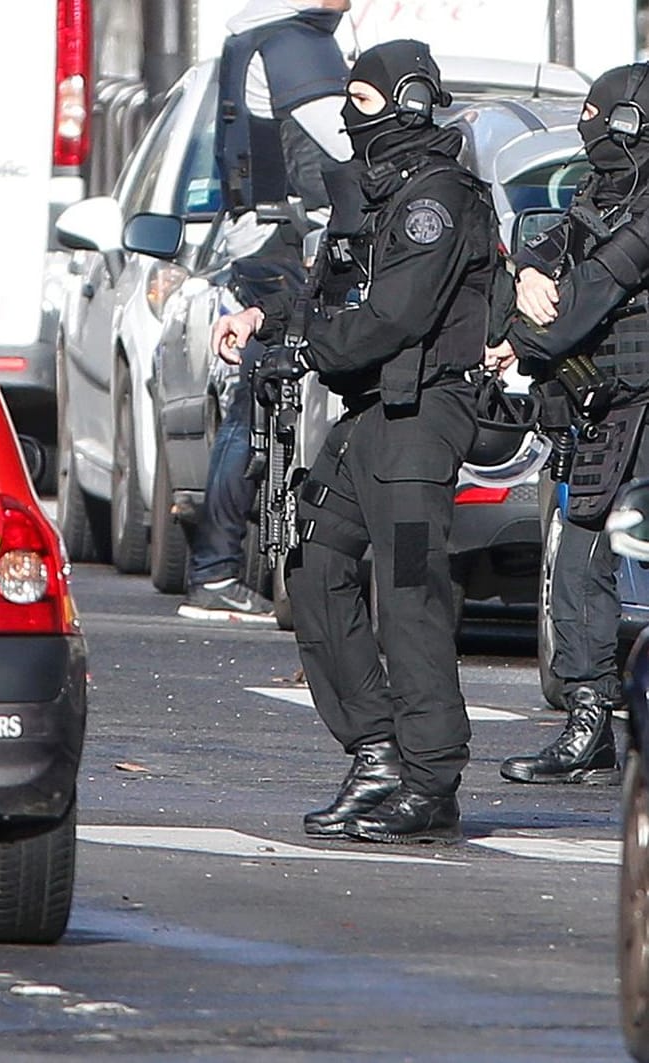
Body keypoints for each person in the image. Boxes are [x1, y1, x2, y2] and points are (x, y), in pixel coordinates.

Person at [211, 40, 498, 842]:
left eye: (363, 105)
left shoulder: (435, 200)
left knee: (409, 595)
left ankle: (430, 774)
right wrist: (268, 321)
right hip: (367, 413)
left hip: (420, 419)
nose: (348, 118)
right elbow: (326, 287)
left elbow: (394, 315)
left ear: (406, 103)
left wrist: (312, 349)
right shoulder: (372, 193)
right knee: (311, 563)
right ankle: (376, 749)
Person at [495, 65, 649, 786]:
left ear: (629, 121)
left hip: (641, 409)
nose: (586, 126)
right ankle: (589, 724)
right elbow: (555, 246)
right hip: (607, 410)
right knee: (579, 563)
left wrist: (520, 341)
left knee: (593, 560)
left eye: (595, 113)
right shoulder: (603, 189)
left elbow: (592, 292)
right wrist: (526, 272)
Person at [178, 0, 353, 623]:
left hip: (257, 240)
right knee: (265, 396)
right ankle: (219, 568)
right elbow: (344, 146)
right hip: (286, 244)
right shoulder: (293, 45)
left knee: (251, 400)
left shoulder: (257, 36)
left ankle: (218, 565)